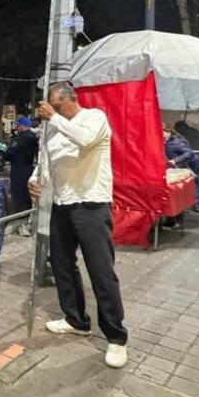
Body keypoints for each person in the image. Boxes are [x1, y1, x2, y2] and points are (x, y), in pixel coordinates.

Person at [30, 82, 128, 369]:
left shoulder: (94, 118)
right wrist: (35, 179)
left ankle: (116, 336)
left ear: (73, 99)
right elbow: (46, 162)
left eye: (58, 106)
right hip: (62, 203)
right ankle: (76, 319)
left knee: (100, 270)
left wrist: (54, 118)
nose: (52, 112)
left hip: (91, 203)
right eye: (51, 108)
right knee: (62, 263)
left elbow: (84, 140)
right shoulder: (51, 128)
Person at [6, 116, 39, 235]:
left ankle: (21, 220)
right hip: (29, 167)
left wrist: (7, 154)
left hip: (18, 168)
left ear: (23, 126)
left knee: (18, 195)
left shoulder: (21, 138)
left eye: (18, 125)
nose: (16, 127)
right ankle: (27, 219)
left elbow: (9, 153)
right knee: (27, 195)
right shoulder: (34, 138)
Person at [164, 124, 199, 212]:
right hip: (186, 163)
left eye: (162, 132)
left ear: (168, 132)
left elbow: (189, 153)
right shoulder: (168, 141)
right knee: (188, 183)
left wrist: (175, 161)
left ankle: (196, 204)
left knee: (194, 182)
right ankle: (190, 204)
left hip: (192, 162)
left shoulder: (176, 142)